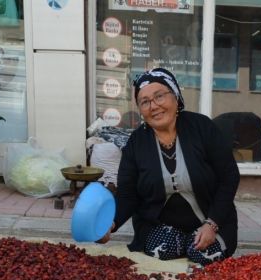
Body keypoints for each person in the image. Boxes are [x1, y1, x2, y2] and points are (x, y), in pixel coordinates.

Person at [98, 67, 240, 265]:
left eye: (159, 96)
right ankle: (182, 243)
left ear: (175, 96)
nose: (153, 106)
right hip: (161, 227)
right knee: (161, 249)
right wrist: (110, 224)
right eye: (145, 102)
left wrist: (212, 223)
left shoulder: (202, 128)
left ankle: (194, 241)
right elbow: (128, 195)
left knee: (204, 254)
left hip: (210, 222)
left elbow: (229, 176)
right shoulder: (136, 143)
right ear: (140, 109)